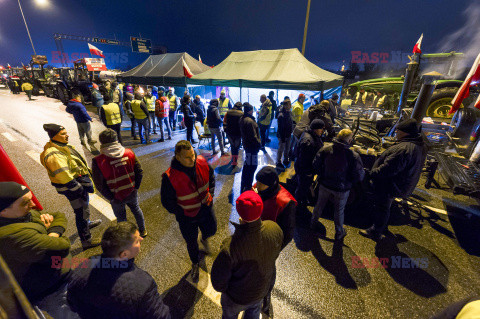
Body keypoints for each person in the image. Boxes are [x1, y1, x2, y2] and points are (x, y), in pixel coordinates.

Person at [67, 222, 171, 319]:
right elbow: (161, 316)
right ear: (124, 254)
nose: (141, 239)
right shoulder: (143, 285)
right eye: (137, 240)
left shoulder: (82, 268)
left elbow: (71, 303)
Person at [211, 190, 283, 319]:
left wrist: (228, 291)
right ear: (261, 209)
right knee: (253, 314)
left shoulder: (230, 247)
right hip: (260, 291)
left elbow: (218, 282)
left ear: (240, 214)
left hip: (236, 298)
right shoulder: (274, 228)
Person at [0, 182, 71, 301]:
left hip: (61, 272)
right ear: (4, 211)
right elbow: (62, 247)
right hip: (53, 289)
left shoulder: (22, 214)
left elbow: (59, 216)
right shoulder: (12, 235)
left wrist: (49, 235)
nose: (33, 204)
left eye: (30, 199)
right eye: (25, 202)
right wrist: (53, 234)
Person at [360, 119, 427, 241]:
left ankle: (375, 231)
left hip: (389, 185)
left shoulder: (403, 149)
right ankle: (382, 226)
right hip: (400, 184)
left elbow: (388, 169)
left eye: (398, 130)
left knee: (382, 207)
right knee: (385, 207)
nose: (396, 132)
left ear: (405, 132)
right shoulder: (416, 145)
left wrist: (370, 173)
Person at [161, 141, 217, 283]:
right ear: (178, 157)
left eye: (193, 155)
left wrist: (211, 193)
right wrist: (181, 213)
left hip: (206, 209)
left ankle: (204, 239)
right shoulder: (169, 177)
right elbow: (167, 201)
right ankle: (195, 262)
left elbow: (211, 178)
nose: (192, 159)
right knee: (191, 242)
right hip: (187, 217)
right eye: (187, 157)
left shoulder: (202, 162)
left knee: (211, 230)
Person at [40, 124, 102, 249]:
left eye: (66, 132)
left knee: (84, 209)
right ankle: (86, 240)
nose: (67, 135)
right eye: (63, 134)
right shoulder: (53, 154)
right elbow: (65, 178)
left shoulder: (61, 146)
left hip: (76, 186)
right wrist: (79, 190)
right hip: (73, 189)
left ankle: (87, 223)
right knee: (81, 212)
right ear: (54, 136)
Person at [92, 129, 147, 237]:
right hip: (131, 191)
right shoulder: (129, 153)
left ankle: (126, 237)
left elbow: (99, 183)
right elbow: (139, 171)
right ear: (116, 140)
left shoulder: (98, 160)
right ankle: (143, 230)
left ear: (102, 142)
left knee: (121, 217)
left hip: (115, 195)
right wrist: (136, 187)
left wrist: (110, 197)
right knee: (136, 209)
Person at [312, 129, 365, 240]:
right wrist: (350, 182)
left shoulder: (326, 149)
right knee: (339, 211)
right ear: (349, 140)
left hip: (325, 184)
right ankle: (339, 232)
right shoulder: (353, 156)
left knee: (319, 205)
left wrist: (322, 175)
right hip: (342, 188)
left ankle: (312, 224)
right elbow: (359, 175)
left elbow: (316, 164)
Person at [294, 119, 325, 208]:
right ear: (315, 129)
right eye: (321, 129)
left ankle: (302, 201)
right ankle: (298, 207)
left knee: (304, 186)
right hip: (305, 171)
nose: (322, 131)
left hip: (307, 170)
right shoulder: (308, 141)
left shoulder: (312, 135)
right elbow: (304, 160)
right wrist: (308, 172)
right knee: (302, 188)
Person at [240, 102, 262, 193]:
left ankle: (244, 184)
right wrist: (259, 144)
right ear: (250, 110)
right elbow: (253, 137)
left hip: (247, 146)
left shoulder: (242, 118)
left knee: (248, 165)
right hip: (252, 147)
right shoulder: (250, 121)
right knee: (252, 166)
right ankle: (248, 186)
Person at [224, 102, 244, 166]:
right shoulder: (242, 114)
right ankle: (235, 161)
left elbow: (224, 122)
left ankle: (233, 159)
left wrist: (226, 131)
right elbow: (243, 124)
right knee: (237, 147)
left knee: (232, 146)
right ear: (240, 107)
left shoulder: (228, 112)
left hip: (230, 133)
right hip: (238, 134)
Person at [276, 97, 293, 168]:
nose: (291, 106)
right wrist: (282, 138)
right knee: (281, 149)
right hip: (282, 135)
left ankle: (286, 160)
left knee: (287, 148)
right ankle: (278, 162)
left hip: (288, 134)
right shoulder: (281, 115)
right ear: (286, 105)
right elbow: (281, 128)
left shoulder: (289, 112)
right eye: (289, 105)